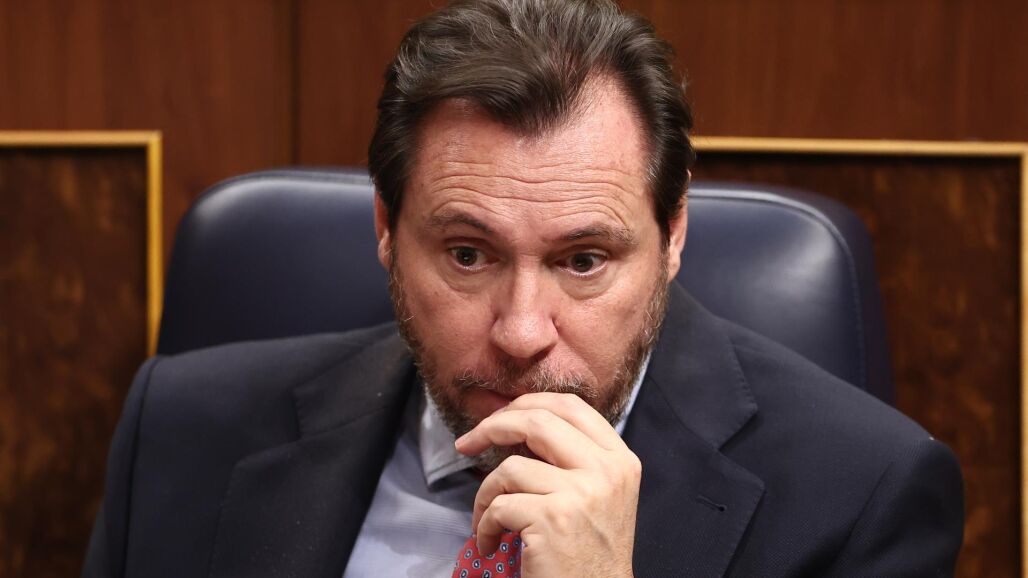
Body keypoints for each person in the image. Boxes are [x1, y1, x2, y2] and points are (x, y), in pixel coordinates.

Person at [82, 0, 963, 576]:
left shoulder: (864, 497)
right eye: (468, 255)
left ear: (673, 236)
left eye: (583, 261)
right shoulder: (180, 430)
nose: (520, 332)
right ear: (386, 228)